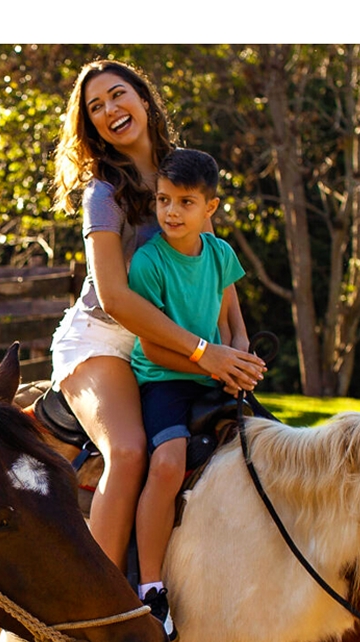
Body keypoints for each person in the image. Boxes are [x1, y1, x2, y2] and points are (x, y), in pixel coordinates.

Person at [47, 60, 267, 605]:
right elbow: (117, 297)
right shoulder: (103, 193)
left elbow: (215, 267)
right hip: (105, 339)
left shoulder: (182, 172)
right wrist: (202, 350)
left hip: (174, 337)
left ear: (143, 99)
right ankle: (91, 603)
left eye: (117, 95)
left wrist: (234, 346)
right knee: (129, 451)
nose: (109, 111)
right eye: (95, 107)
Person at [122, 149, 249, 639]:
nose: (171, 212)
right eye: (163, 200)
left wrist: (239, 359)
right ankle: (151, 584)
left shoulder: (220, 255)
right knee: (169, 463)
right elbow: (152, 346)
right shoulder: (148, 262)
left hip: (213, 371)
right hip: (164, 378)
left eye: (185, 202)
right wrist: (211, 359)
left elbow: (232, 319)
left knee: (266, 450)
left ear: (209, 209)